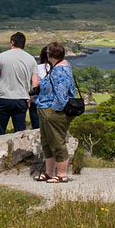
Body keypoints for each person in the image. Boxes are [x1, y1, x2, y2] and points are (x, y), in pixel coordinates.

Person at [34, 42, 78, 183]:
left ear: (50, 55)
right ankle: (49, 172)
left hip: (54, 111)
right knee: (47, 142)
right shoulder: (60, 67)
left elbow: (62, 94)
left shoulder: (60, 70)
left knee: (57, 141)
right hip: (46, 107)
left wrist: (54, 109)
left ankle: (62, 174)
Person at [0, 32, 38, 137]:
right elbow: (35, 83)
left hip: (4, 98)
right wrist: (30, 99)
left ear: (12, 42)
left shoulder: (2, 56)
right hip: (21, 99)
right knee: (20, 134)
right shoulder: (31, 59)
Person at [28, 44, 49, 131]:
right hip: (52, 104)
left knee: (37, 130)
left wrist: (29, 100)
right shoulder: (57, 69)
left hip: (37, 103)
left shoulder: (37, 68)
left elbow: (34, 85)